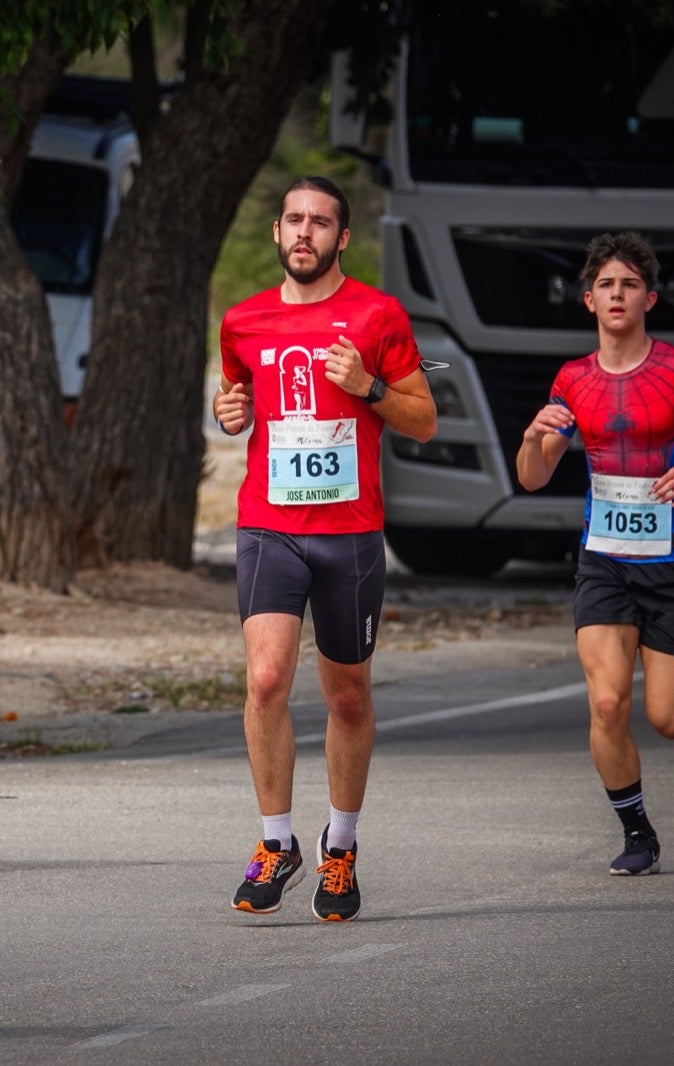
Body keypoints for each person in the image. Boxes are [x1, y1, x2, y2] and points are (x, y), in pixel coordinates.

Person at [214, 177, 437, 921]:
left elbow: (424, 420)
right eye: (294, 220)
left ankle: (339, 845)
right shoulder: (242, 321)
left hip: (349, 536)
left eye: (321, 223)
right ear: (277, 232)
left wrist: (369, 384)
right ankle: (277, 842)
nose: (305, 233)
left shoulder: (377, 314)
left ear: (343, 238)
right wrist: (230, 410)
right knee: (269, 678)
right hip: (270, 526)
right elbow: (239, 401)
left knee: (347, 695)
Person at [517, 231, 674, 876]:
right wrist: (535, 436)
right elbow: (532, 476)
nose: (617, 295)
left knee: (670, 720)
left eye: (629, 285)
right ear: (588, 301)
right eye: (605, 286)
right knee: (607, 704)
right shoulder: (571, 379)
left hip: (672, 566)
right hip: (605, 562)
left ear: (648, 298)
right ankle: (637, 828)